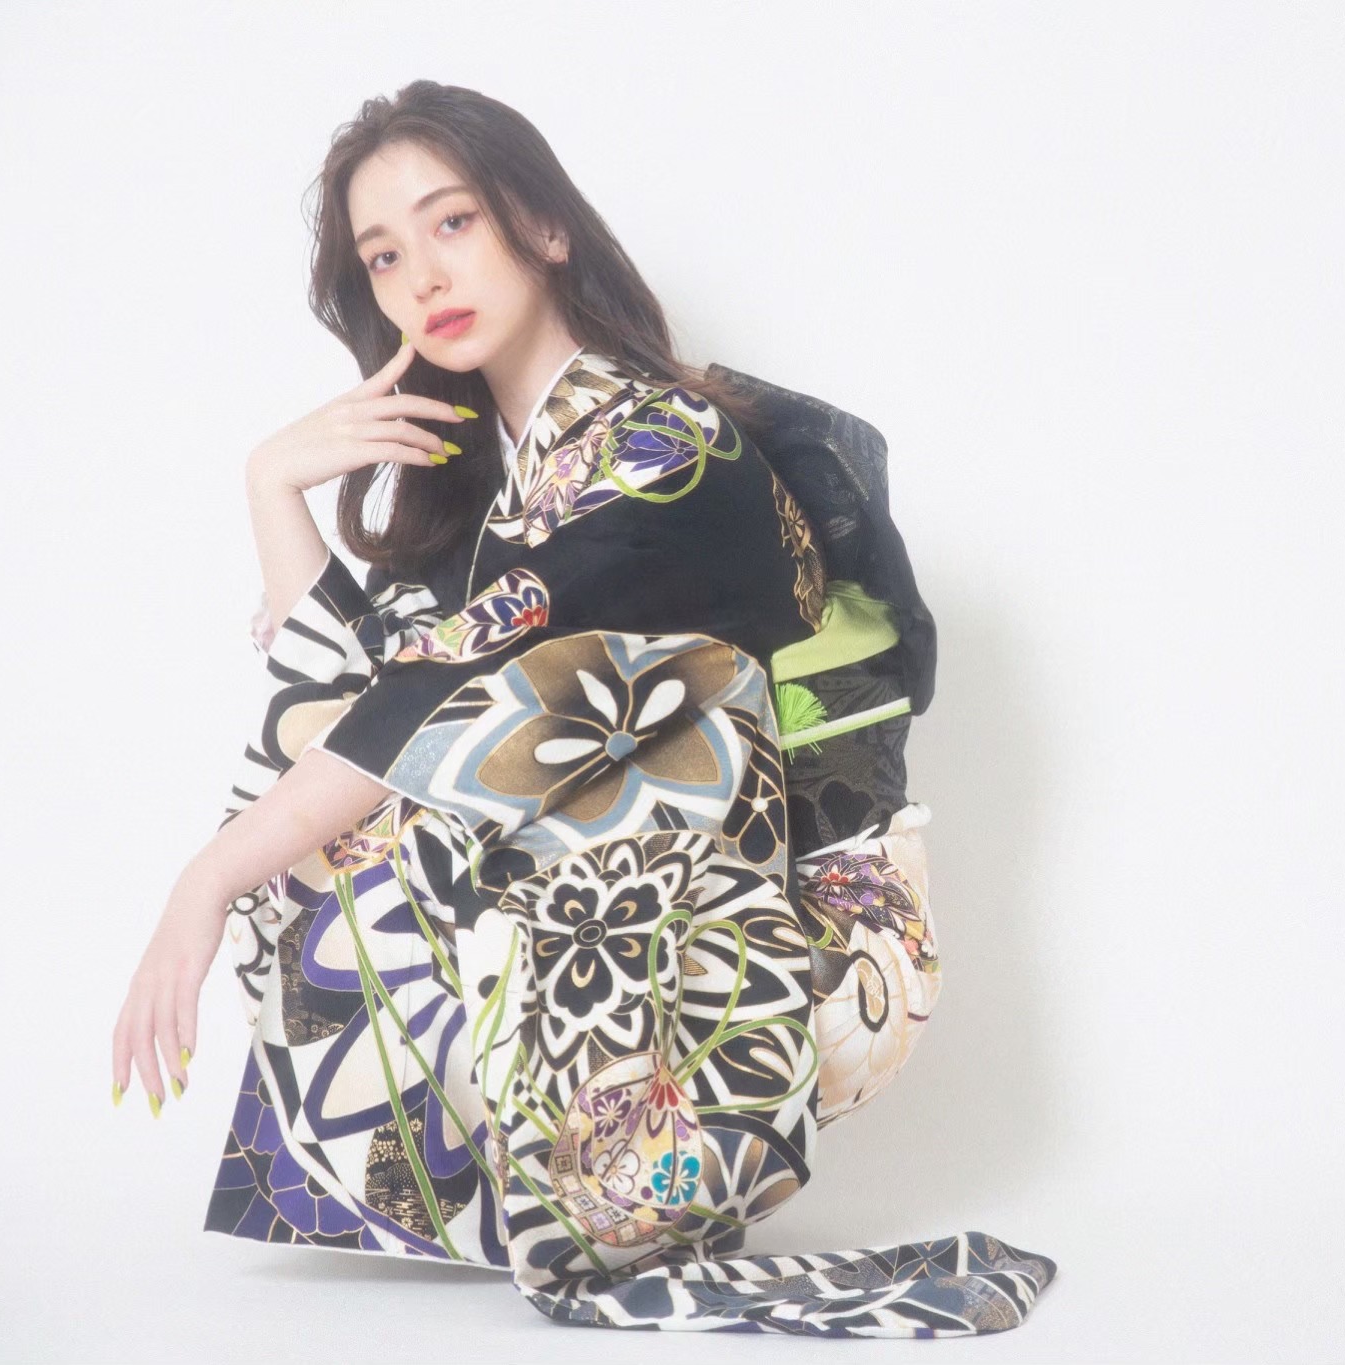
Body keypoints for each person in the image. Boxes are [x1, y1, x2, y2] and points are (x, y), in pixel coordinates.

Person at [108, 80, 1055, 1337]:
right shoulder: (509, 488)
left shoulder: (659, 448)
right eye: (383, 256)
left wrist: (205, 879)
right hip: (649, 937)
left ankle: (619, 1186)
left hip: (793, 950)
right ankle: (557, 1176)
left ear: (543, 227)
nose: (419, 277)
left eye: (452, 223)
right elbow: (336, 695)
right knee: (344, 787)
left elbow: (408, 711)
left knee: (397, 766)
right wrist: (272, 482)